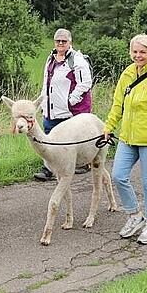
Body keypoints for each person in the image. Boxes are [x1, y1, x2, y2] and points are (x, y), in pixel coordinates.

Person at [104, 35, 147, 245]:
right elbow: (118, 104)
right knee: (118, 176)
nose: (138, 56)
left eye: (143, 52)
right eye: (135, 51)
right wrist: (108, 126)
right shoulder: (127, 73)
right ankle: (135, 215)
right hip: (127, 136)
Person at [34, 28, 93, 181]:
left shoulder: (77, 60)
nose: (60, 43)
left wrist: (71, 100)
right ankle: (48, 169)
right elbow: (46, 82)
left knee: (67, 143)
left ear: (70, 42)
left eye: (64, 41)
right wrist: (42, 102)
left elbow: (85, 83)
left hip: (67, 112)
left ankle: (76, 164)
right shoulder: (50, 59)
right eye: (58, 41)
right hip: (51, 110)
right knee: (48, 140)